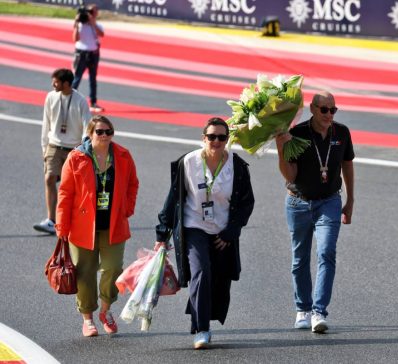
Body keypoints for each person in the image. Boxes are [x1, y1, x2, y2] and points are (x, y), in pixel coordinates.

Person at [155, 117, 254, 349]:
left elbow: (246, 203)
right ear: (203, 138)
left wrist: (231, 232)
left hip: (222, 231)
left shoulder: (237, 167)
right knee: (201, 272)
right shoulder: (188, 162)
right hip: (194, 227)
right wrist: (162, 235)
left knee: (219, 279)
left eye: (221, 137)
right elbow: (174, 201)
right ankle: (202, 330)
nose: (216, 141)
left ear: (227, 140)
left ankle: (200, 315)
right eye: (211, 137)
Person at [275, 91, 354, 333]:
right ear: (312, 108)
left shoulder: (341, 133)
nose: (329, 114)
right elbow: (290, 175)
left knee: (326, 252)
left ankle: (319, 311)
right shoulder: (297, 133)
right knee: (300, 258)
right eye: (324, 109)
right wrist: (281, 147)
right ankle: (303, 309)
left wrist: (351, 200)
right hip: (298, 202)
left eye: (333, 110)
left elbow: (347, 164)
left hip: (329, 201)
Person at [56, 115, 139, 337]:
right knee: (85, 272)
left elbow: (133, 183)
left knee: (113, 269)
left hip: (114, 225)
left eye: (108, 132)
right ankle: (87, 318)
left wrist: (127, 209)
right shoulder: (76, 158)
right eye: (99, 132)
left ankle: (105, 310)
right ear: (90, 134)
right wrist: (61, 227)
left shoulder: (122, 155)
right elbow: (65, 193)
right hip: (82, 227)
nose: (104, 136)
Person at [34, 68, 92, 234]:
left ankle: (69, 220)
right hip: (53, 145)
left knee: (70, 187)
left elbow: (87, 126)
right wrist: (45, 148)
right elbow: (46, 123)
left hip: (73, 149)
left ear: (67, 83)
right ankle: (50, 220)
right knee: (49, 178)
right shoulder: (51, 97)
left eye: (56, 81)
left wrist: (82, 150)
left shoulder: (80, 101)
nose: (53, 84)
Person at [72, 3, 104, 112]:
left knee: (93, 79)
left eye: (94, 11)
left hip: (93, 54)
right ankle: (68, 99)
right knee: (77, 77)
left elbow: (101, 34)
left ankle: (93, 102)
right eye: (90, 11)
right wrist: (76, 23)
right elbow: (75, 39)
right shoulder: (80, 25)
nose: (92, 14)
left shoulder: (96, 25)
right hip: (81, 54)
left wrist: (93, 24)